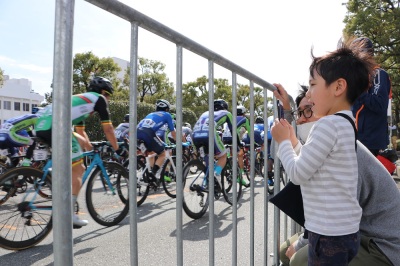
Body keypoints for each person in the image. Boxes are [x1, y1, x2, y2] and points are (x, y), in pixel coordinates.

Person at [271, 41, 376, 264]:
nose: (308, 94)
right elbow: (314, 162)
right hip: (345, 232)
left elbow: (298, 173)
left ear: (338, 87)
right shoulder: (345, 124)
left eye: (312, 85)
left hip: (328, 235)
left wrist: (282, 143)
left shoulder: (326, 125)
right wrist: (292, 140)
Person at [274, 84, 400, 266]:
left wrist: (303, 243)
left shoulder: (345, 152)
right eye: (298, 113)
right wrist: (286, 108)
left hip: (382, 245)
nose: (301, 120)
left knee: (298, 259)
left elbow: (337, 215)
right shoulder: (329, 140)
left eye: (308, 110)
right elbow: (292, 139)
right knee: (284, 251)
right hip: (354, 232)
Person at [35, 76, 121, 227]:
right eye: (108, 95)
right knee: (79, 168)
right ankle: (69, 214)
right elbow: (108, 129)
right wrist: (118, 149)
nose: (108, 99)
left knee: (72, 162)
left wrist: (90, 147)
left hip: (42, 125)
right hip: (56, 126)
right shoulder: (98, 99)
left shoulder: (82, 103)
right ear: (103, 92)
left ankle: (53, 174)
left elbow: (80, 133)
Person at [350, 37, 392, 156]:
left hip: (371, 142)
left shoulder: (378, 74)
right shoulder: (357, 77)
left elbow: (379, 104)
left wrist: (359, 90)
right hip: (356, 139)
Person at [192, 99, 234, 190]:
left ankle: (207, 182)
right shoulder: (226, 113)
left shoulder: (205, 113)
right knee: (223, 156)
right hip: (209, 134)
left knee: (208, 158)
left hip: (195, 134)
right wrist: (238, 143)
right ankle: (216, 174)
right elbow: (233, 131)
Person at [137, 99, 176, 184]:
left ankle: (149, 176)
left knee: (151, 153)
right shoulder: (167, 115)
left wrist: (163, 143)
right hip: (148, 133)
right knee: (162, 154)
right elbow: (173, 133)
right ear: (167, 109)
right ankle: (152, 173)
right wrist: (179, 143)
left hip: (137, 133)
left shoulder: (150, 114)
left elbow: (153, 134)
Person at [221, 105, 251, 187]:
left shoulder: (229, 117)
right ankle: (240, 177)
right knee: (240, 155)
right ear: (243, 113)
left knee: (228, 156)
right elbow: (250, 132)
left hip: (224, 138)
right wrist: (254, 142)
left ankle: (227, 166)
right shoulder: (244, 119)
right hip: (233, 138)